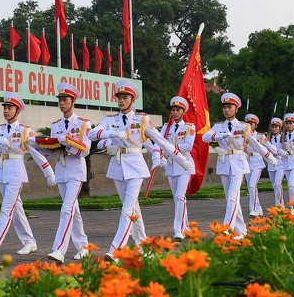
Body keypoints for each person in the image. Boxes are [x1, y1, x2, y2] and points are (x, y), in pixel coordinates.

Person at [89, 80, 191, 260]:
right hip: (118, 166)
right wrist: (112, 134)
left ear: (132, 100)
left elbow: (161, 141)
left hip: (135, 167)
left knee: (127, 210)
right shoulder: (110, 120)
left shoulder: (142, 120)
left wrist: (181, 160)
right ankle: (144, 247)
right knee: (133, 210)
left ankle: (116, 250)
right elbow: (91, 134)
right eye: (119, 97)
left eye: (125, 97)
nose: (121, 100)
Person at [0, 92, 55, 259]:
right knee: (16, 209)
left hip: (16, 173)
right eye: (5, 107)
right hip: (1, 172)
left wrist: (49, 173)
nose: (6, 111)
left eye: (10, 108)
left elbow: (36, 153)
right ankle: (29, 241)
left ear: (18, 111)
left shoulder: (25, 131)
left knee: (6, 209)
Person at [202, 93, 275, 236]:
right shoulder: (219, 126)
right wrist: (221, 135)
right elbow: (205, 137)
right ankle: (241, 231)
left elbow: (256, 145)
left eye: (229, 107)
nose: (226, 110)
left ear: (236, 109)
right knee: (231, 199)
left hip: (238, 164)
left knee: (232, 197)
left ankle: (227, 230)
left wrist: (270, 158)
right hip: (224, 164)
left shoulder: (244, 127)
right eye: (224, 107)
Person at [41, 82, 93, 264]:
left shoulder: (83, 124)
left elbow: (85, 149)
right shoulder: (56, 125)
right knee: (73, 210)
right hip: (61, 170)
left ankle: (59, 250)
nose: (62, 103)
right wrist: (43, 148)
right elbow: (53, 149)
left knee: (66, 210)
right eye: (60, 100)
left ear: (73, 101)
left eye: (65, 100)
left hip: (76, 171)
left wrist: (68, 144)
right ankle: (83, 247)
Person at [151, 95, 197, 240]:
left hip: (184, 165)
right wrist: (156, 156)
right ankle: (185, 227)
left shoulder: (189, 127)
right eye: (173, 110)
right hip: (171, 166)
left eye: (178, 110)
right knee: (178, 199)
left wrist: (169, 148)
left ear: (183, 111)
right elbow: (157, 142)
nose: (175, 112)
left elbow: (188, 146)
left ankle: (178, 230)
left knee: (179, 196)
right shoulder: (166, 128)